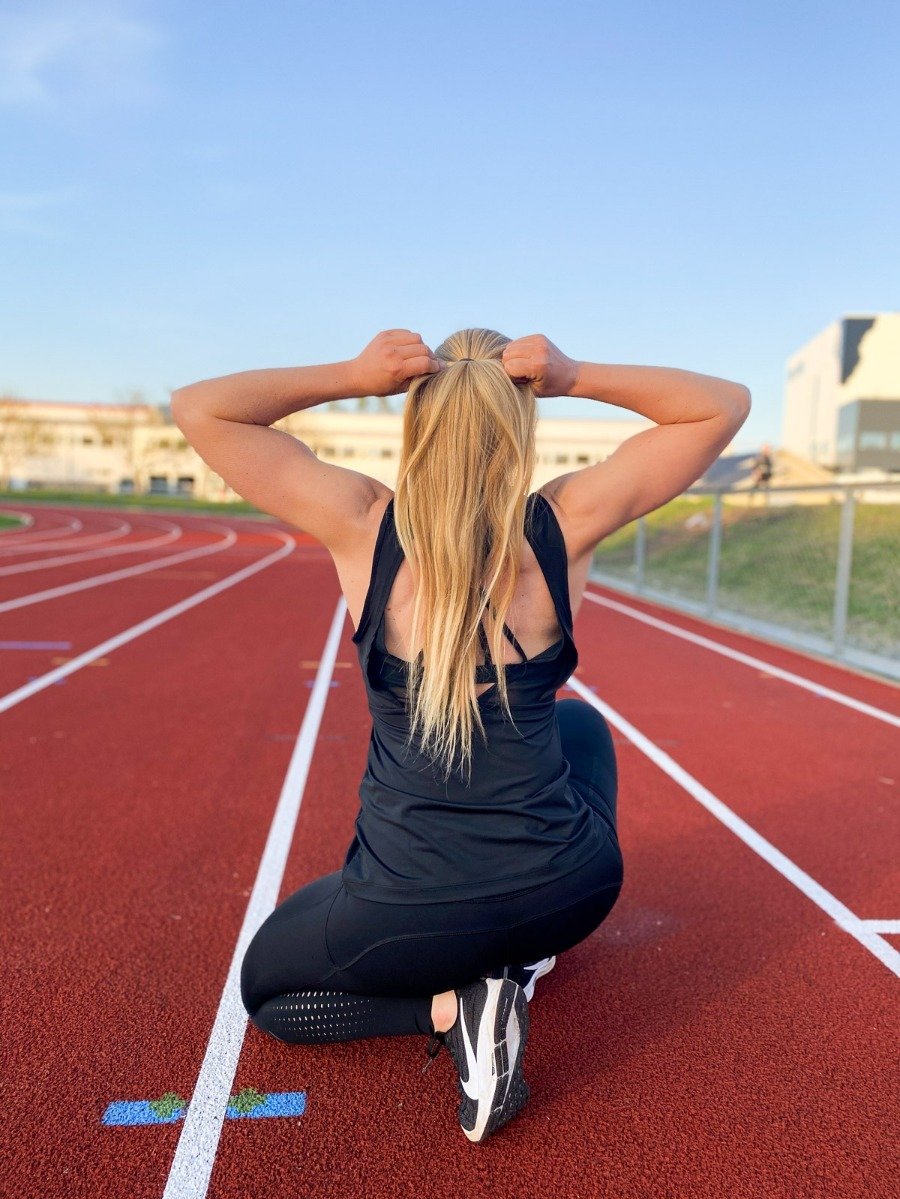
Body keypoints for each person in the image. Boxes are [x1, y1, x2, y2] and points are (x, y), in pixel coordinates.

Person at [172, 328, 751, 1143]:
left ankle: (451, 1009)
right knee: (581, 722)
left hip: (408, 912)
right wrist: (574, 375)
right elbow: (722, 406)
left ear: (418, 419)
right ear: (520, 423)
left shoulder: (365, 523)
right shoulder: (561, 523)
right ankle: (514, 960)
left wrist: (352, 375)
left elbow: (201, 409)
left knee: (269, 995)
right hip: (574, 893)